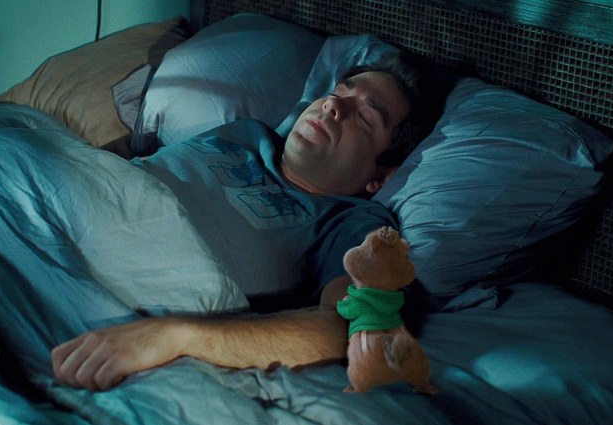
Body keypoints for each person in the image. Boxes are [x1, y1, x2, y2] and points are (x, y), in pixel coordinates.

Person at [52, 55, 438, 392]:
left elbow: (351, 330)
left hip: (121, 284)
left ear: (380, 178)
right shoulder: (245, 132)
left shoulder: (355, 223)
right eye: (338, 91)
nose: (333, 105)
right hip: (66, 210)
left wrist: (177, 335)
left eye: (366, 117)